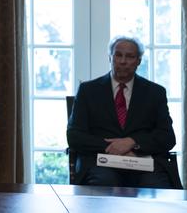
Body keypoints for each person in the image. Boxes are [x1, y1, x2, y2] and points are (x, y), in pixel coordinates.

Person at [67, 36, 178, 188]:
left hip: (143, 162)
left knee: (155, 186)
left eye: (130, 56)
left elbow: (167, 137)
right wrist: (113, 148)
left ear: (138, 61)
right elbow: (74, 136)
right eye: (118, 55)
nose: (123, 61)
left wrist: (132, 142)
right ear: (110, 58)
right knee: (105, 183)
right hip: (101, 162)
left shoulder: (155, 93)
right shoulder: (88, 91)